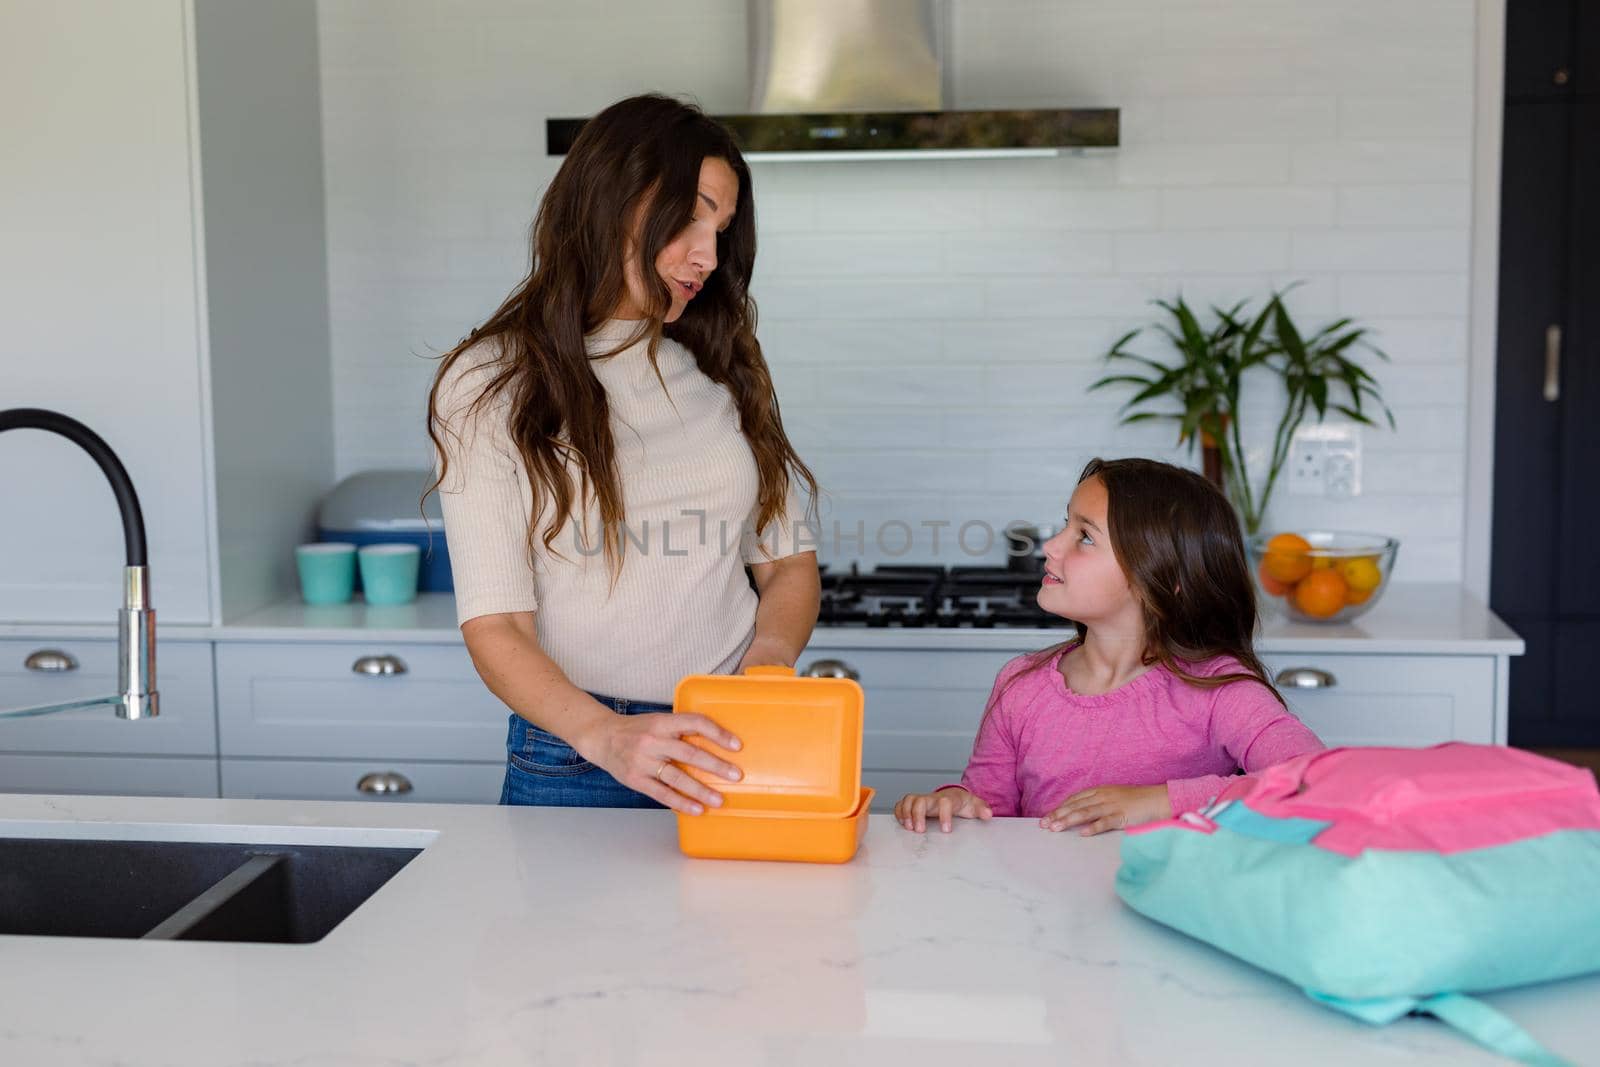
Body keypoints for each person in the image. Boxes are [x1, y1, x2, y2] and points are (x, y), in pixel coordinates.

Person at [427, 94, 820, 814]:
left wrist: (766, 663)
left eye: (722, 229)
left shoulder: (718, 369)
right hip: (576, 758)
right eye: (694, 213)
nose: (708, 254)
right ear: (617, 197)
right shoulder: (491, 381)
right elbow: (496, 626)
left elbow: (788, 563)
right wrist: (607, 737)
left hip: (731, 742)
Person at [895, 457, 1324, 835]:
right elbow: (989, 812)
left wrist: (1160, 802)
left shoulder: (1221, 692)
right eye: (1066, 524)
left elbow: (1315, 782)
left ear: (1162, 578)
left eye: (1084, 536)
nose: (1050, 546)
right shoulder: (1019, 684)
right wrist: (956, 802)